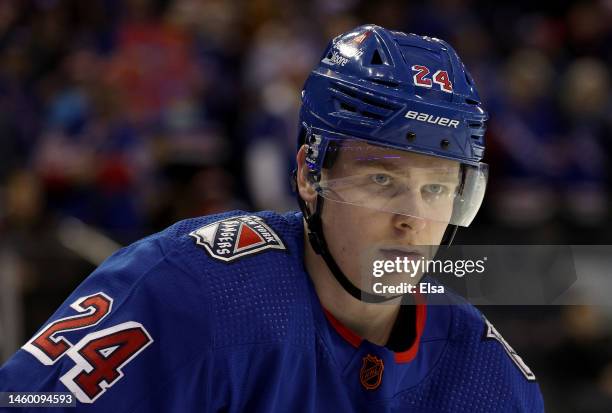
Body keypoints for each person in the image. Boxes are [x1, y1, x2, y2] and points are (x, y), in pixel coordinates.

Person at [0, 24, 544, 412]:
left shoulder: (488, 378)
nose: (413, 219)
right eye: (382, 180)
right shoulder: (189, 291)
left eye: (437, 188)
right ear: (310, 174)